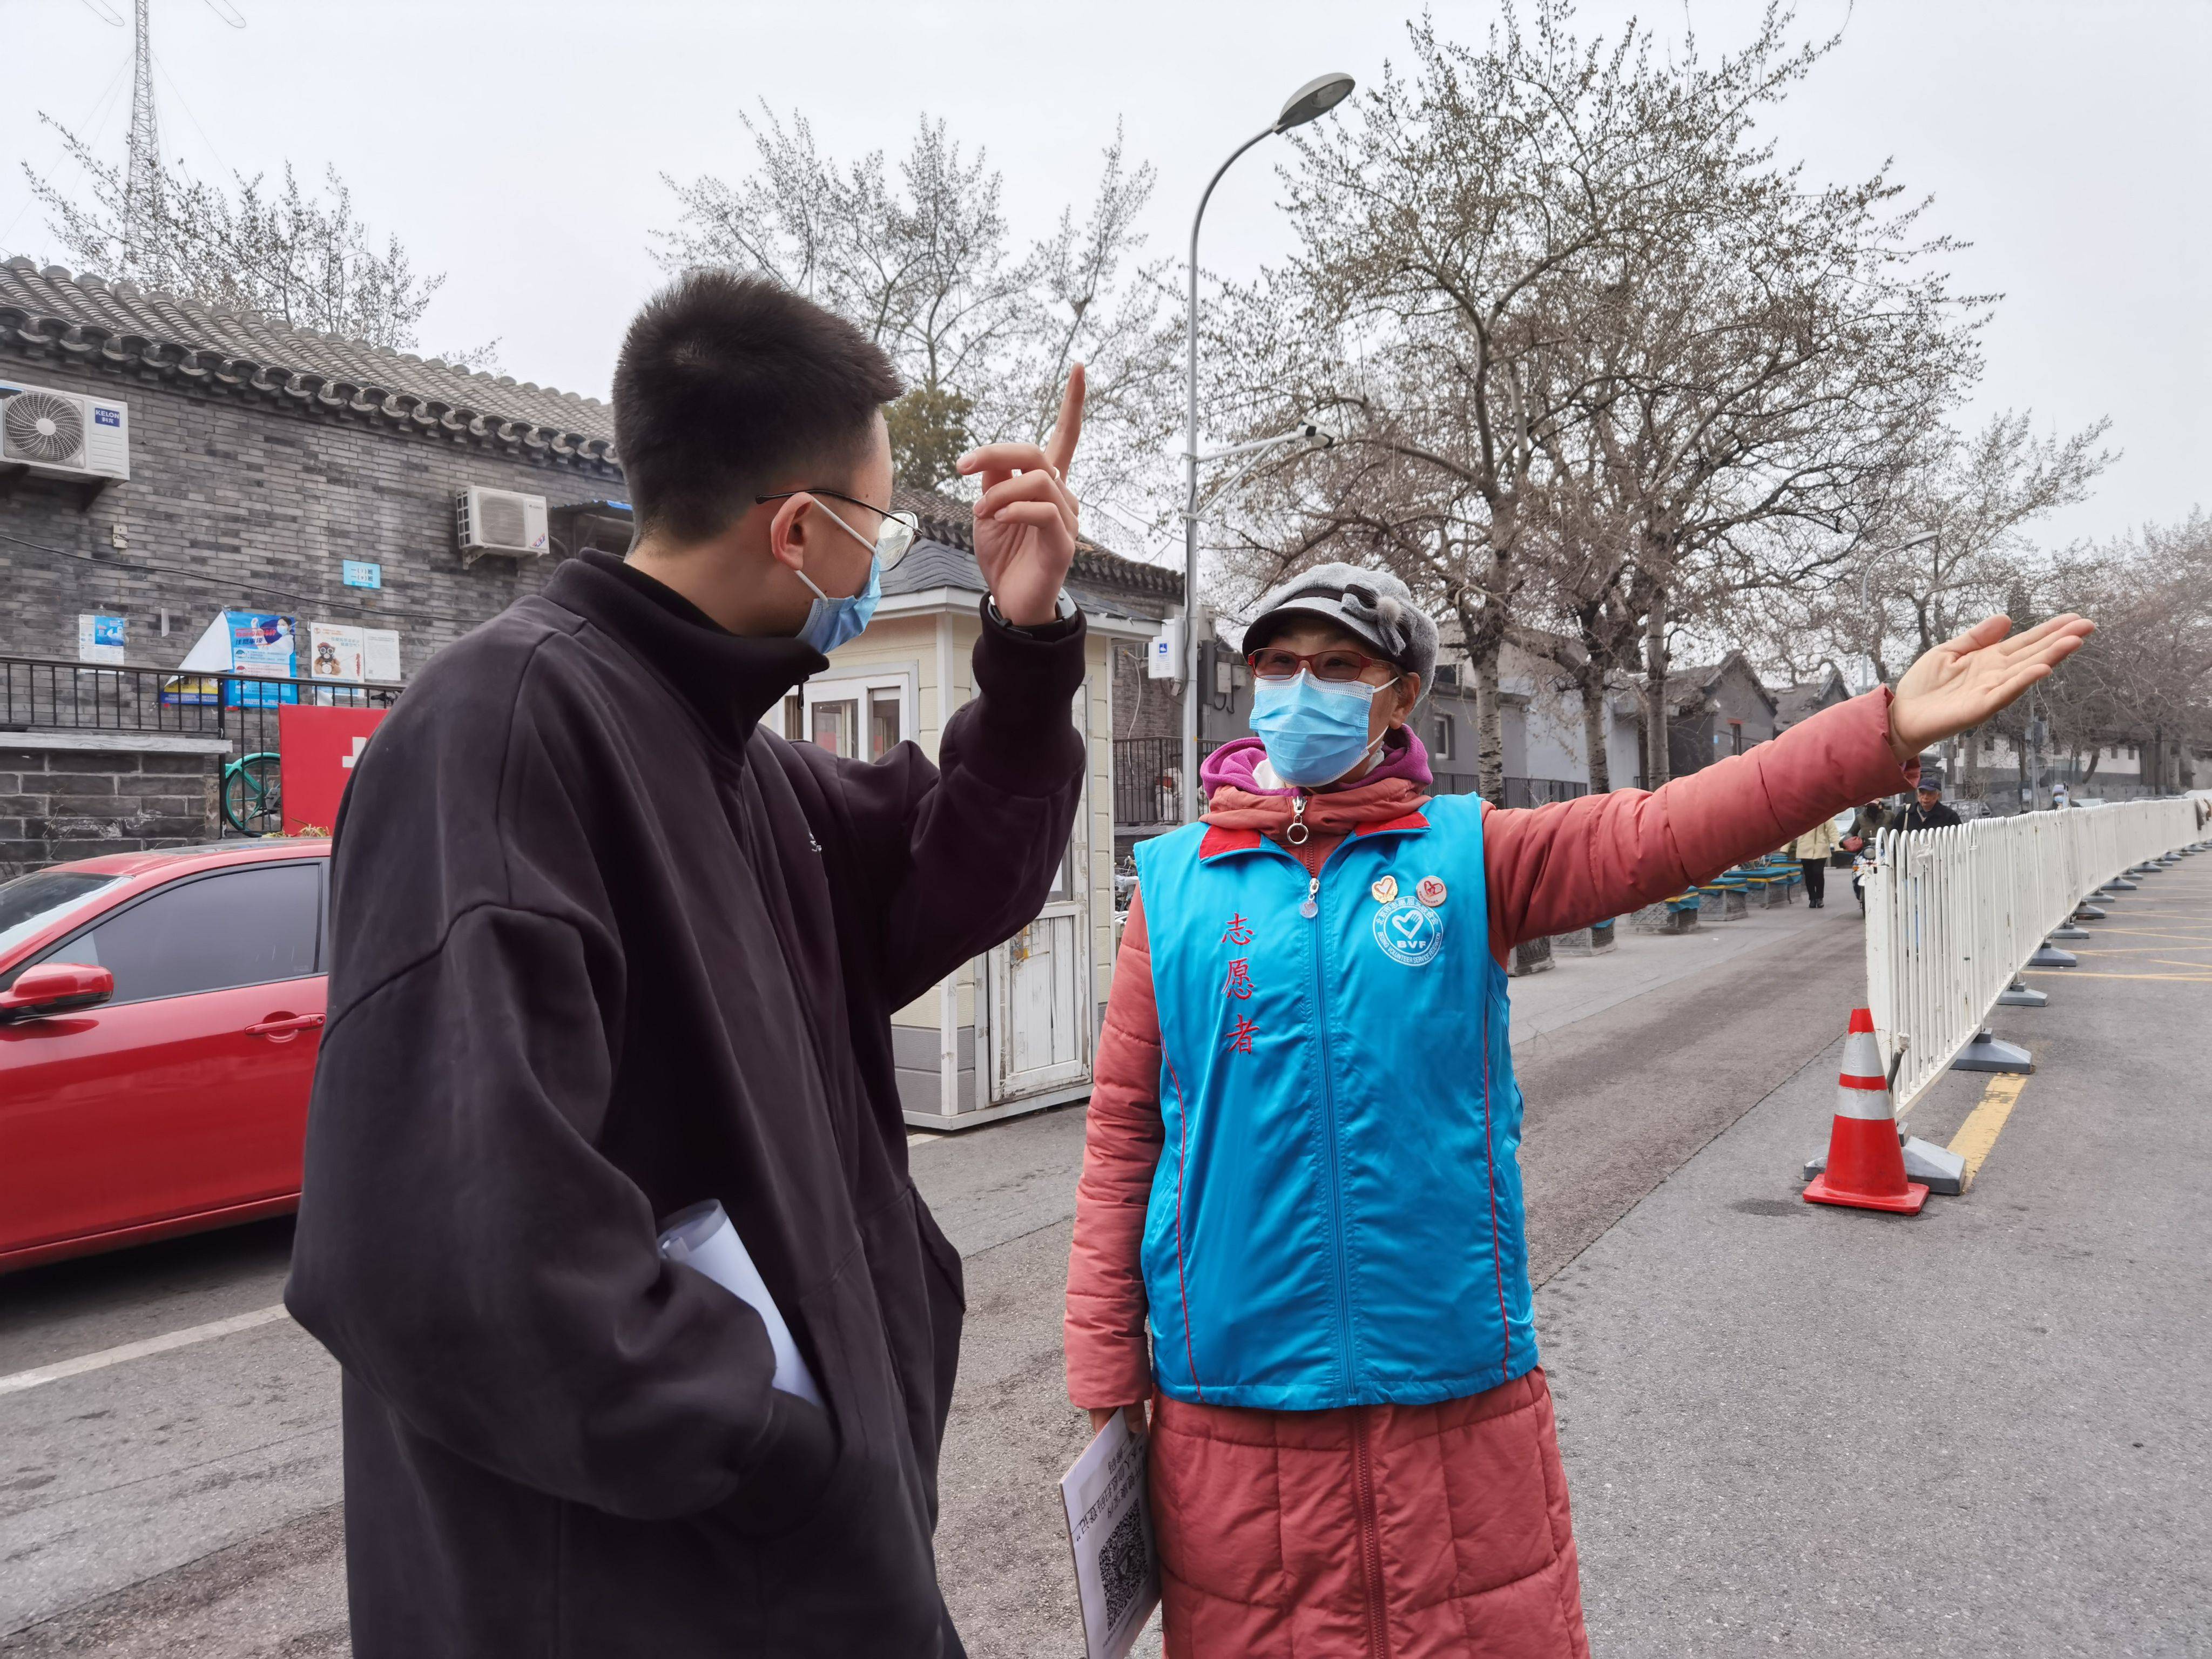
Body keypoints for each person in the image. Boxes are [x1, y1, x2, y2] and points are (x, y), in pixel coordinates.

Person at [1064, 564, 2092, 1657]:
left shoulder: (1472, 856)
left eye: (1336, 668)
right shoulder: (1171, 887)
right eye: (1276, 666)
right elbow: (1127, 1132)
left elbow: (1666, 830)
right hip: (1232, 1410)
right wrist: (1102, 1362)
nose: (1298, 689)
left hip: (1449, 1395)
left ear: (1400, 696)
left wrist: (1873, 732)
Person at [285, 271, 1092, 1657]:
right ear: (798, 529)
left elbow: (954, 876)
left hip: (792, 1571)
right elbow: (454, 1251)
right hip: (645, 1590)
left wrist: (1021, 644)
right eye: (880, 526)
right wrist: (784, 1449)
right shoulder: (506, 728)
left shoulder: (740, 760)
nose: (880, 563)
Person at [1786, 811, 1840, 907]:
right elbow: (1791, 832)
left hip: (1821, 849)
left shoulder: (1825, 813)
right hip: (1805, 849)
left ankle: (1820, 898)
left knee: (1818, 873)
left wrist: (1837, 846)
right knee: (1809, 875)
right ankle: (1812, 898)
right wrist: (1785, 848)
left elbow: (1833, 830)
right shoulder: (1800, 815)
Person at [1899, 778, 1963, 833]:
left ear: (1938, 796)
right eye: (1922, 793)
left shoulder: (1949, 816)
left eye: (1930, 794)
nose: (1925, 797)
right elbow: (1894, 839)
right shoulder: (1906, 813)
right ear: (1917, 794)